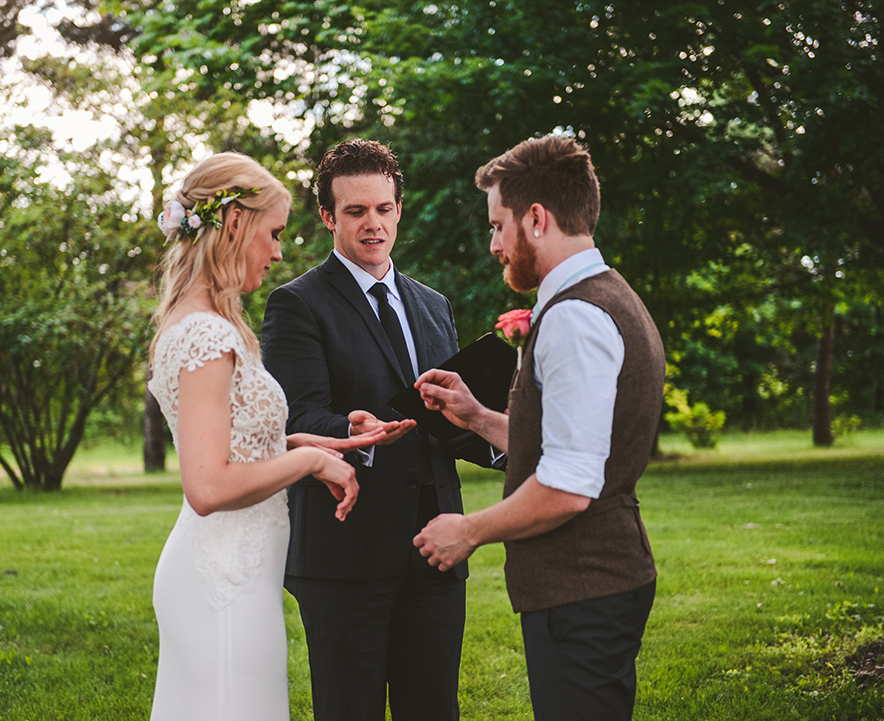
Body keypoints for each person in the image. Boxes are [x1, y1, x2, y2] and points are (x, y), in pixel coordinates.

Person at [413, 134, 666, 721]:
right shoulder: (604, 295)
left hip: (582, 591)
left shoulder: (575, 317)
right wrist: (477, 417)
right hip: (597, 583)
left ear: (536, 218)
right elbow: (571, 444)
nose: (495, 244)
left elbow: (569, 485)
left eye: (498, 226)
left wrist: (470, 529)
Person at [146, 152, 386, 721]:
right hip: (220, 582)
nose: (278, 252)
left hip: (241, 575)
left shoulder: (208, 319)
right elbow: (207, 486)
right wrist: (307, 465)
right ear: (234, 224)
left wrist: (313, 446)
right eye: (273, 233)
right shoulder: (206, 332)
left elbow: (235, 448)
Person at [261, 139, 468, 721]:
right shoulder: (296, 304)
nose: (372, 224)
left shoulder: (434, 306)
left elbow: (451, 414)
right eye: (355, 212)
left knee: (433, 709)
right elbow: (296, 417)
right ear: (329, 217)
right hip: (344, 553)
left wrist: (486, 426)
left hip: (435, 546)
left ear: (399, 209)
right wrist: (352, 429)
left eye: (382, 209)